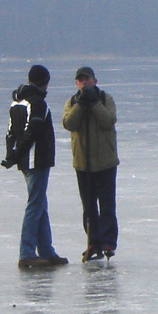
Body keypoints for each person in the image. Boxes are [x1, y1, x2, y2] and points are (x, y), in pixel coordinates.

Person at [1, 65, 68, 269]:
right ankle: (27, 252)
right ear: (45, 81)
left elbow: (11, 132)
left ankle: (46, 251)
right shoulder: (37, 103)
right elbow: (33, 132)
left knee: (40, 204)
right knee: (35, 205)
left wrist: (11, 154)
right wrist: (18, 154)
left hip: (25, 161)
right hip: (36, 160)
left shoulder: (17, 101)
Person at [62, 66, 119, 261]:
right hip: (83, 164)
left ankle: (109, 241)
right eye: (80, 80)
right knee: (88, 207)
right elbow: (69, 123)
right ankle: (93, 241)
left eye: (87, 79)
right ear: (76, 83)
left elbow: (109, 120)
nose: (84, 83)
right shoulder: (71, 102)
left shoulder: (105, 99)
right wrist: (80, 105)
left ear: (95, 80)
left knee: (107, 205)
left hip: (105, 162)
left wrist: (94, 103)